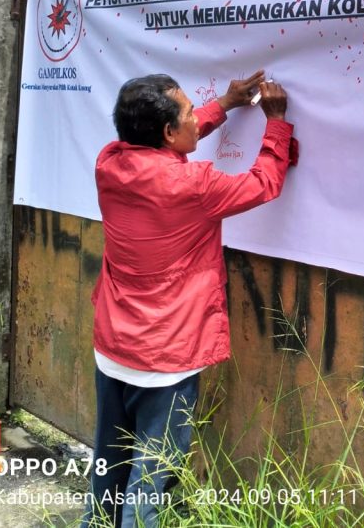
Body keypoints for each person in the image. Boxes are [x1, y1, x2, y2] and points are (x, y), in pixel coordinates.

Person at [82, 70, 296, 527]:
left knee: (109, 463)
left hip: (114, 348)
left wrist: (226, 103)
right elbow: (263, 182)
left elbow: (169, 145)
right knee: (150, 477)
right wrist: (275, 122)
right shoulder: (194, 187)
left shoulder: (108, 163)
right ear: (167, 132)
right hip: (166, 357)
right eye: (189, 114)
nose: (197, 120)